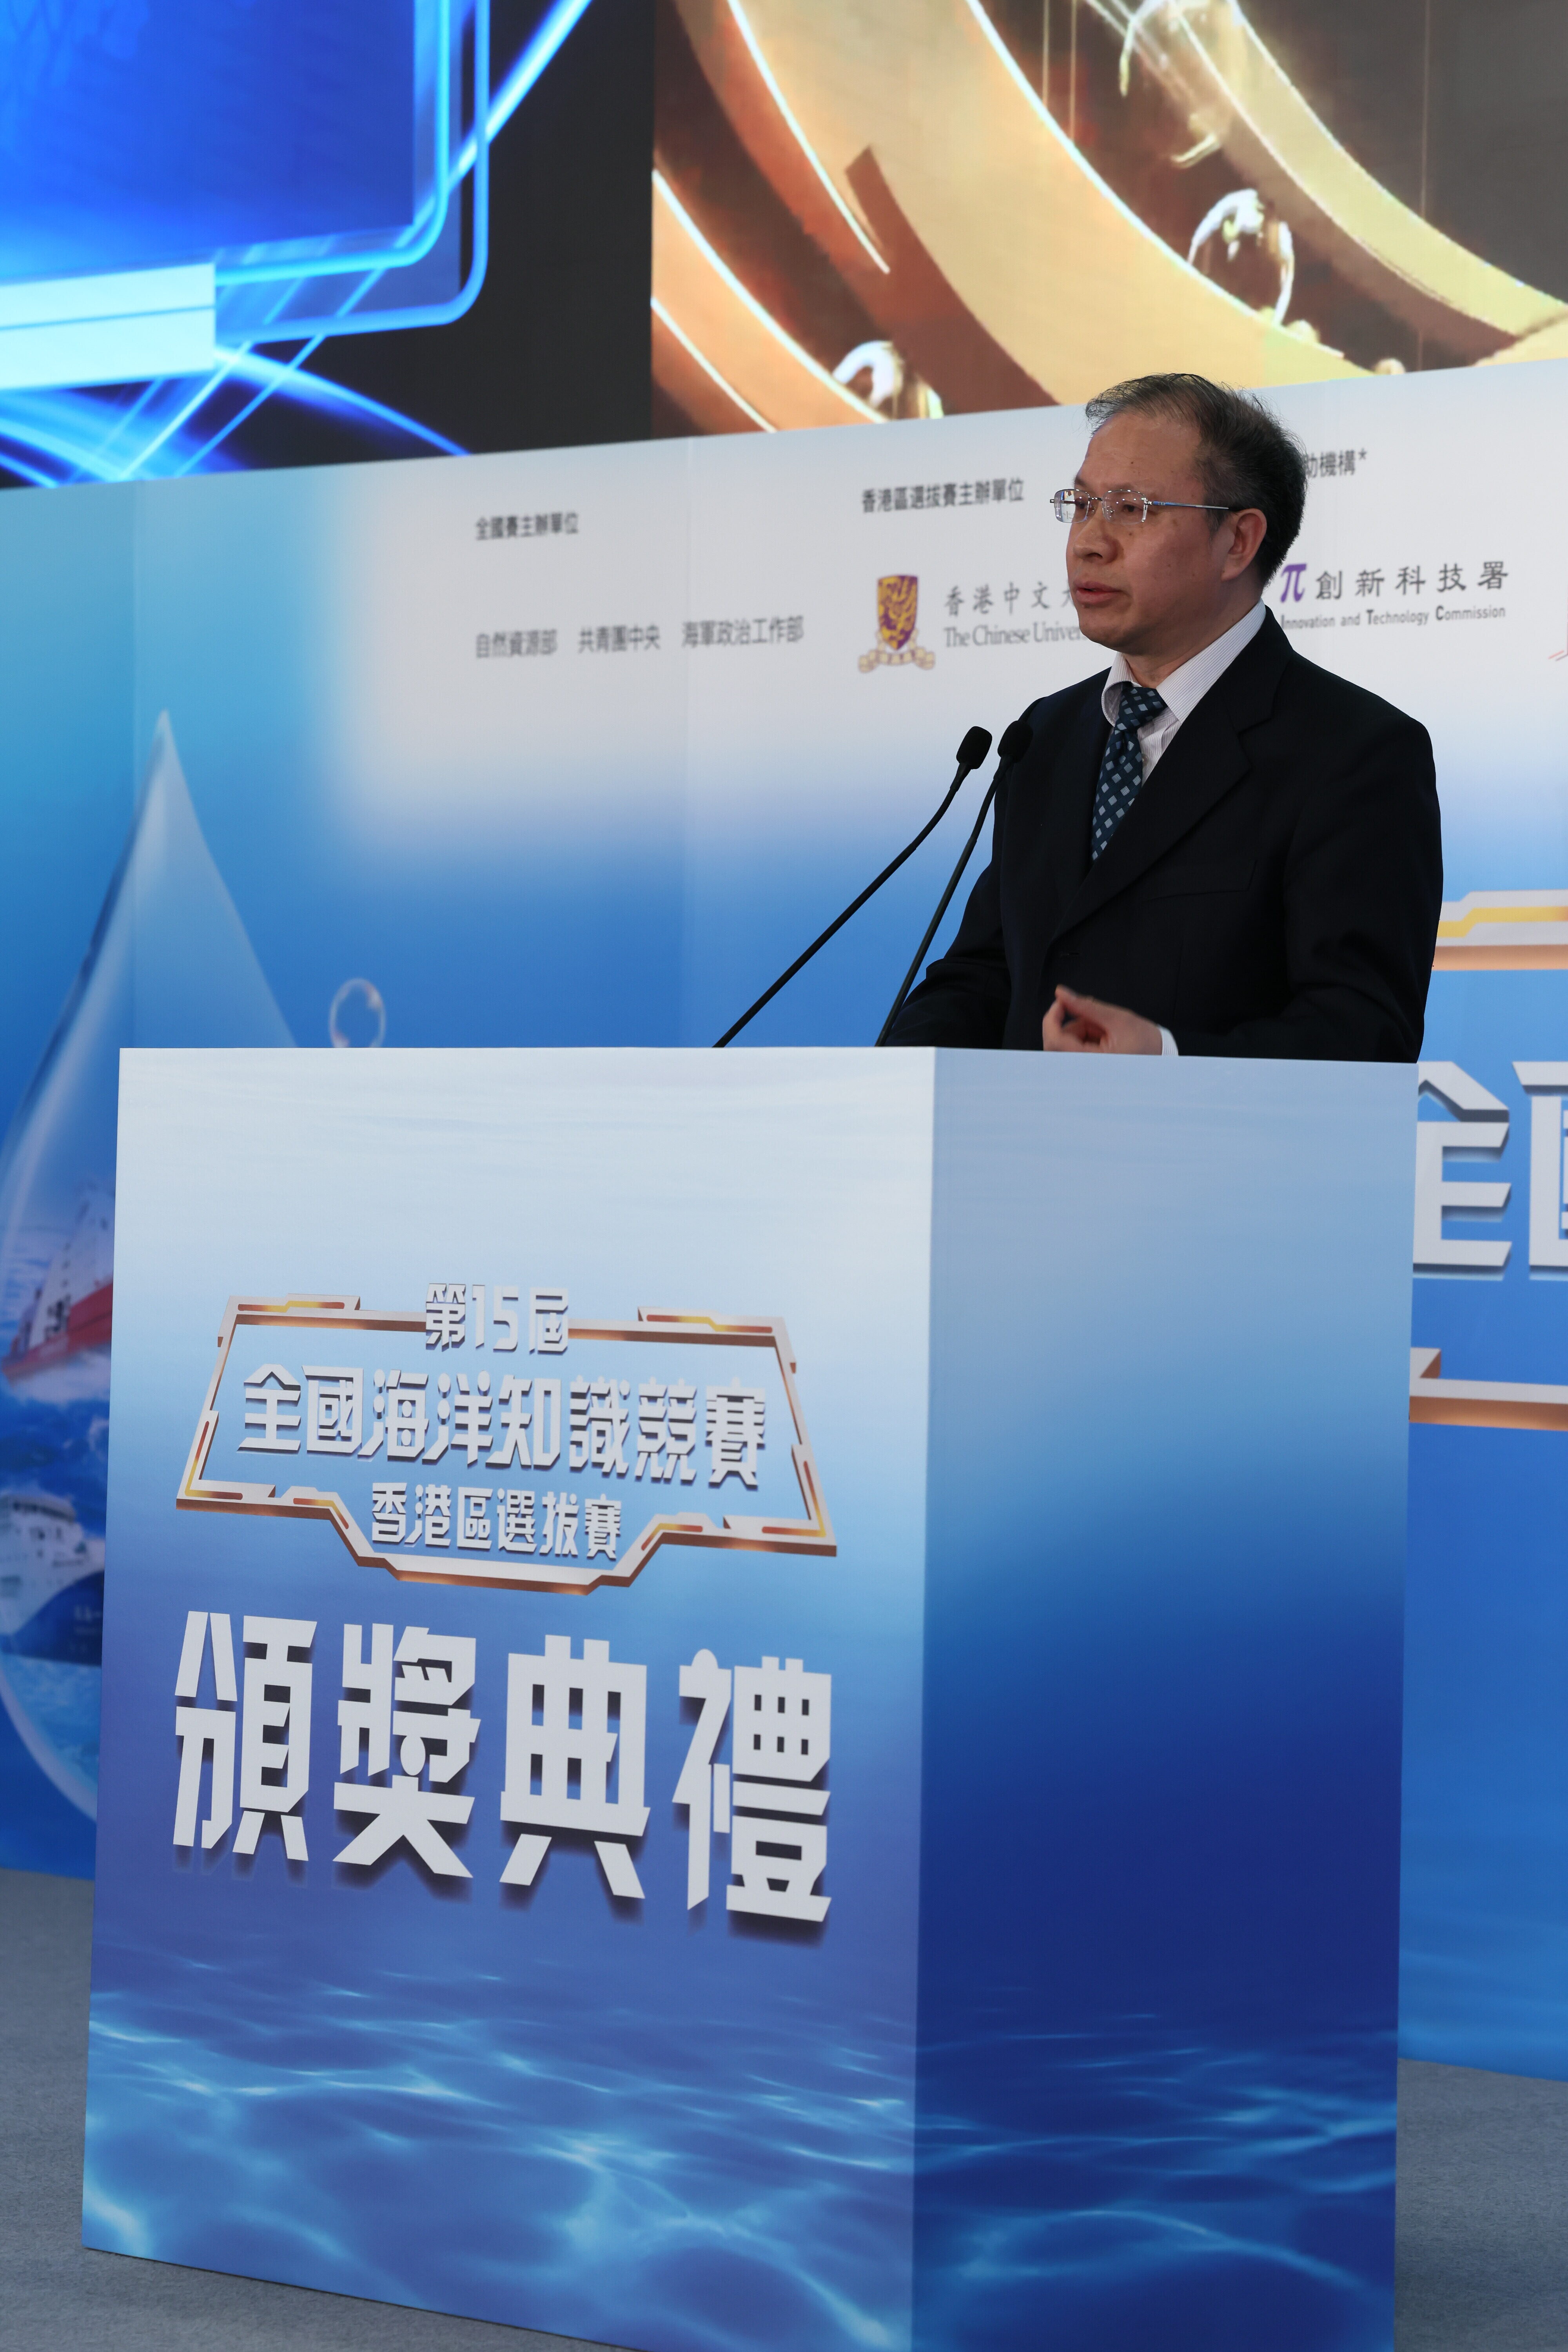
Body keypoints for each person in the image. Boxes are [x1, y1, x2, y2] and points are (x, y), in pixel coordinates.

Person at [886, 373, 1442, 1058]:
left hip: (1208, 1132)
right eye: (1081, 505)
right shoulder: (1045, 735)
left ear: (1237, 542)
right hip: (1030, 1130)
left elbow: (1363, 1032)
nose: (1089, 542)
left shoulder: (1354, 752)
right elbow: (986, 975)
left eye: (1131, 509)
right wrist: (888, 1081)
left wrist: (1168, 1059)